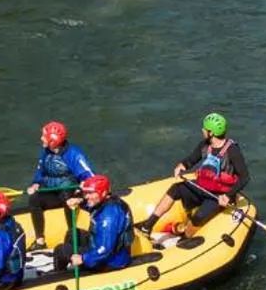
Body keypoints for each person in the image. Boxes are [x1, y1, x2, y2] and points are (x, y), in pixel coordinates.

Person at [147, 112, 248, 245]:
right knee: (176, 189)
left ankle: (183, 241)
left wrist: (228, 196)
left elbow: (245, 177)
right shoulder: (205, 145)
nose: (202, 130)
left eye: (205, 129)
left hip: (218, 196)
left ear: (211, 132)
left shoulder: (232, 151)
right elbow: (192, 159)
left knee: (198, 217)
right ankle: (147, 225)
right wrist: (182, 165)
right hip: (202, 187)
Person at [11, 120, 95, 246]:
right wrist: (35, 183)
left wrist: (83, 190)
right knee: (34, 199)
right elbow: (40, 172)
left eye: (44, 136)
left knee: (67, 196)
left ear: (53, 141)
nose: (41, 138)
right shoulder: (46, 152)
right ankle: (40, 240)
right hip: (52, 192)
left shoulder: (74, 154)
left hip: (69, 192)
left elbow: (89, 176)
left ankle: (72, 236)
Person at [75, 174, 135, 273]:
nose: (86, 196)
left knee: (63, 251)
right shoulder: (105, 201)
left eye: (90, 193)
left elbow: (105, 249)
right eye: (86, 193)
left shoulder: (109, 215)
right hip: (99, 244)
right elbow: (91, 207)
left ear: (102, 193)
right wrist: (79, 201)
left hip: (111, 261)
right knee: (73, 233)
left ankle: (61, 276)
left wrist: (83, 258)